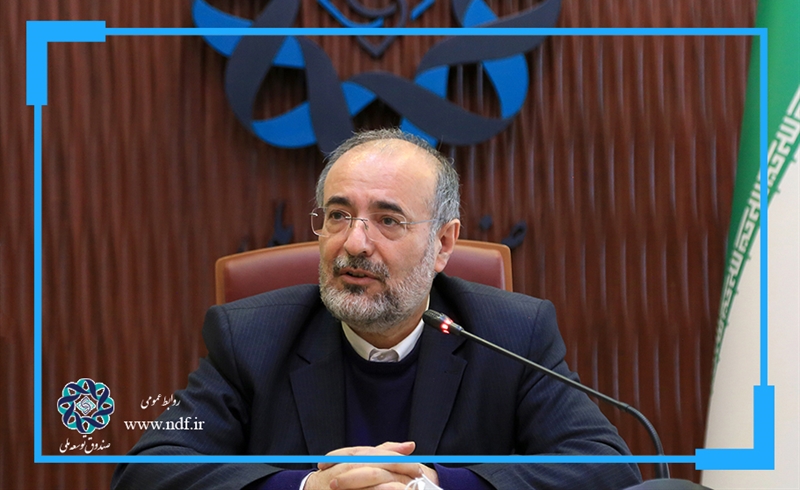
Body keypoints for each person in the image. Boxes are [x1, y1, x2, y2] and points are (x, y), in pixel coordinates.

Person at [112, 129, 642, 490]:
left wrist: (433, 484)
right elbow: (147, 471)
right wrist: (309, 486)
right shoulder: (250, 335)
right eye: (338, 215)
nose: (354, 243)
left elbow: (607, 466)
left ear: (442, 244)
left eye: (388, 220)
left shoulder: (511, 332)